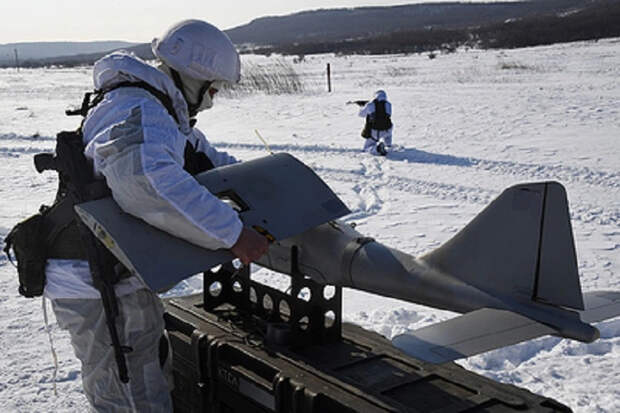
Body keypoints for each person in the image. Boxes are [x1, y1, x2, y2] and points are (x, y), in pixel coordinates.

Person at [44, 20, 269, 412]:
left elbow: (210, 164)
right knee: (132, 394)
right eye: (212, 89)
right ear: (193, 77)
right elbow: (144, 183)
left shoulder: (155, 110)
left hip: (113, 271)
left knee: (147, 374)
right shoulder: (140, 109)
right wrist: (233, 233)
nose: (211, 100)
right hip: (95, 280)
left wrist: (270, 189)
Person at [358, 90, 393, 156]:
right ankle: (388, 145)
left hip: (376, 131)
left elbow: (361, 114)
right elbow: (388, 114)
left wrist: (363, 106)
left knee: (366, 148)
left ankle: (377, 148)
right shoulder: (388, 104)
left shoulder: (370, 104)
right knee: (389, 133)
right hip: (388, 129)